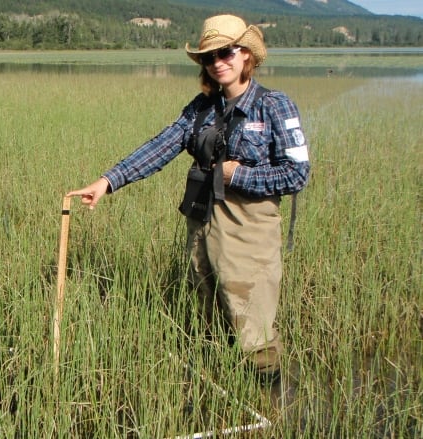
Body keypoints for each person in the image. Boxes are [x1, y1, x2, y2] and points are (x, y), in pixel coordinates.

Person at [66, 14, 310, 383]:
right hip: (201, 220)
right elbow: (160, 147)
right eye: (209, 57)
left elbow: (296, 175)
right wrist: (107, 181)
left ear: (246, 54)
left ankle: (270, 401)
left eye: (226, 52)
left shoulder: (274, 106)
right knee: (209, 308)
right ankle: (225, 390)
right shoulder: (200, 108)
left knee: (253, 326)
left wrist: (235, 174)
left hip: (250, 227)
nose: (218, 63)